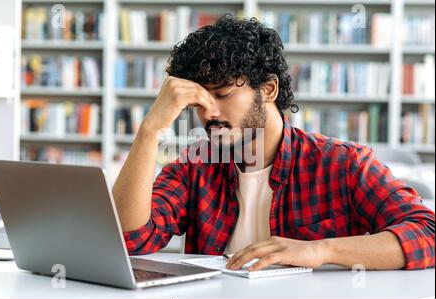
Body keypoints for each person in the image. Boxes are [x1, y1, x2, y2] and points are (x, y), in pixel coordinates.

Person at [112, 14, 434, 271]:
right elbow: (128, 239)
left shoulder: (342, 164)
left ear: (268, 90)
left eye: (222, 95)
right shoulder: (195, 164)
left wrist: (320, 251)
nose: (208, 112)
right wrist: (150, 130)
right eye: (197, 102)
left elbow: (427, 232)